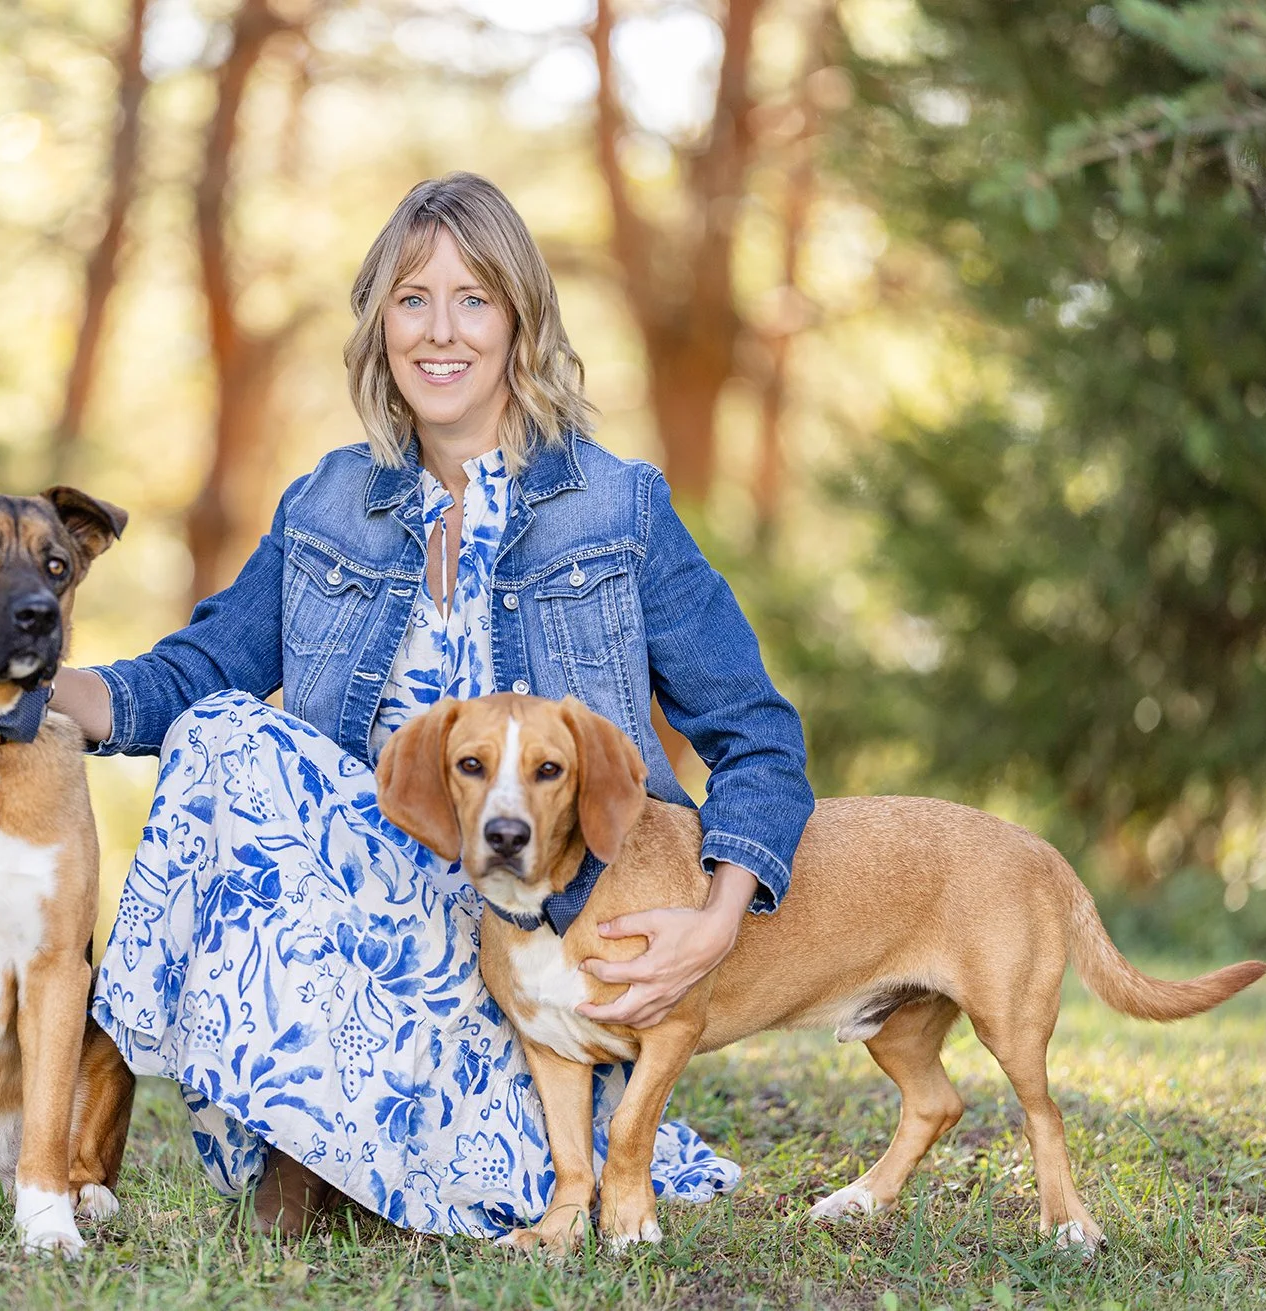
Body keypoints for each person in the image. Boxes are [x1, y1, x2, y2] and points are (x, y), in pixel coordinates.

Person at [47, 172, 814, 1238]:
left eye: (472, 299)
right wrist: (37, 687)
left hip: (541, 936)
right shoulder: (327, 504)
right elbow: (194, 673)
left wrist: (715, 922)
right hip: (352, 921)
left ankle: (387, 1155)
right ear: (378, 325)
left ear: (518, 322)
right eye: (412, 299)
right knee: (225, 734)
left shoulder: (615, 508)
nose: (439, 331)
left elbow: (758, 735)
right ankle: (279, 1154)